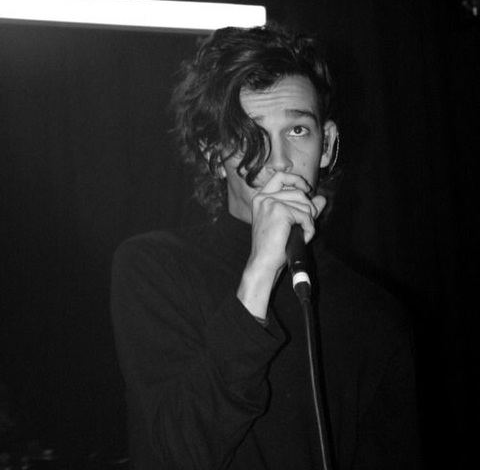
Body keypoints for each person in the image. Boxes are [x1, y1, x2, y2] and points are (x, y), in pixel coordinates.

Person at [111, 23, 422, 470]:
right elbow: (177, 453)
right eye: (251, 134)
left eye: (297, 130)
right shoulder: (155, 268)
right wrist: (259, 274)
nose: (279, 161)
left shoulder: (376, 315)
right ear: (214, 154)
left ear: (327, 145)